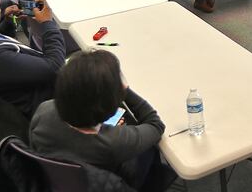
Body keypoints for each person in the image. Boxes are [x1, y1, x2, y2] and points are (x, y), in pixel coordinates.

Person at [30, 49, 169, 192]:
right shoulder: (113, 141)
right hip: (106, 182)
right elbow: (155, 125)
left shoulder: (44, 110)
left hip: (56, 180)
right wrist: (124, 89)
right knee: (149, 148)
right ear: (109, 106)